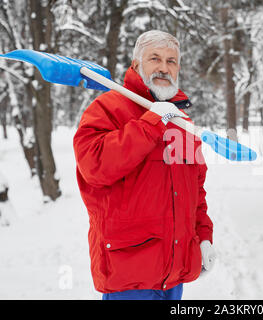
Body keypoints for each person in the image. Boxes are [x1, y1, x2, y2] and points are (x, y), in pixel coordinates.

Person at [73, 30, 216, 300]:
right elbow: (94, 166)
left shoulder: (181, 122)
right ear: (137, 64)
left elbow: (196, 192)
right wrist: (150, 124)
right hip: (129, 276)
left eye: (172, 61)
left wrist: (204, 237)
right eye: (155, 58)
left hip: (174, 274)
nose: (164, 67)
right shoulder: (107, 108)